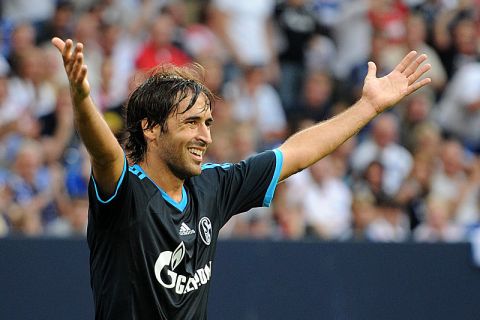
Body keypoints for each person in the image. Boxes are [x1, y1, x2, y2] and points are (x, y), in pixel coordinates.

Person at [51, 36, 430, 319]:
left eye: (208, 123)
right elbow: (104, 153)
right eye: (191, 123)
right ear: (150, 128)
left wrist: (369, 106)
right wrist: (83, 98)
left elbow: (295, 154)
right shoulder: (127, 194)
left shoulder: (212, 185)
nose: (206, 136)